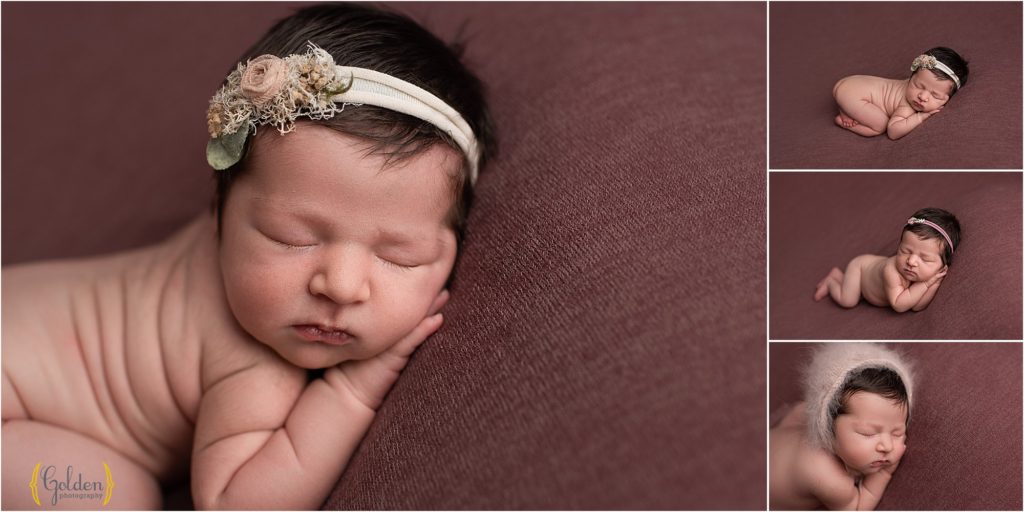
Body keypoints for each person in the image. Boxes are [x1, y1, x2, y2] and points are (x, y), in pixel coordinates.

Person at [1, 3, 496, 509]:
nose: (341, 285)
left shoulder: (249, 230)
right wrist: (351, 394)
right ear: (218, 210)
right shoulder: (253, 365)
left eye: (399, 256)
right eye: (291, 237)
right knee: (111, 495)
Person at [770, 343, 914, 510]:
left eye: (897, 433)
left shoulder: (806, 413)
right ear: (827, 428)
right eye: (868, 433)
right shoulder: (829, 479)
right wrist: (883, 474)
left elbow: (801, 409)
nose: (887, 446)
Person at [814, 208, 961, 313]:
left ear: (943, 265)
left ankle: (841, 278)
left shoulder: (922, 274)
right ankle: (832, 281)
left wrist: (935, 283)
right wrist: (927, 283)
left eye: (925, 258)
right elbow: (899, 304)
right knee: (848, 300)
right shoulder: (891, 271)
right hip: (860, 269)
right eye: (905, 251)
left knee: (853, 294)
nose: (911, 261)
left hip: (869, 280)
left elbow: (917, 306)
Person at [832, 47, 969, 140]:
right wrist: (920, 117)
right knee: (880, 125)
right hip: (852, 94)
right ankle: (843, 118)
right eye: (918, 85)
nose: (922, 97)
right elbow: (893, 132)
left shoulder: (917, 89)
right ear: (911, 77)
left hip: (851, 83)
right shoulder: (907, 106)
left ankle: (846, 106)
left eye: (935, 95)